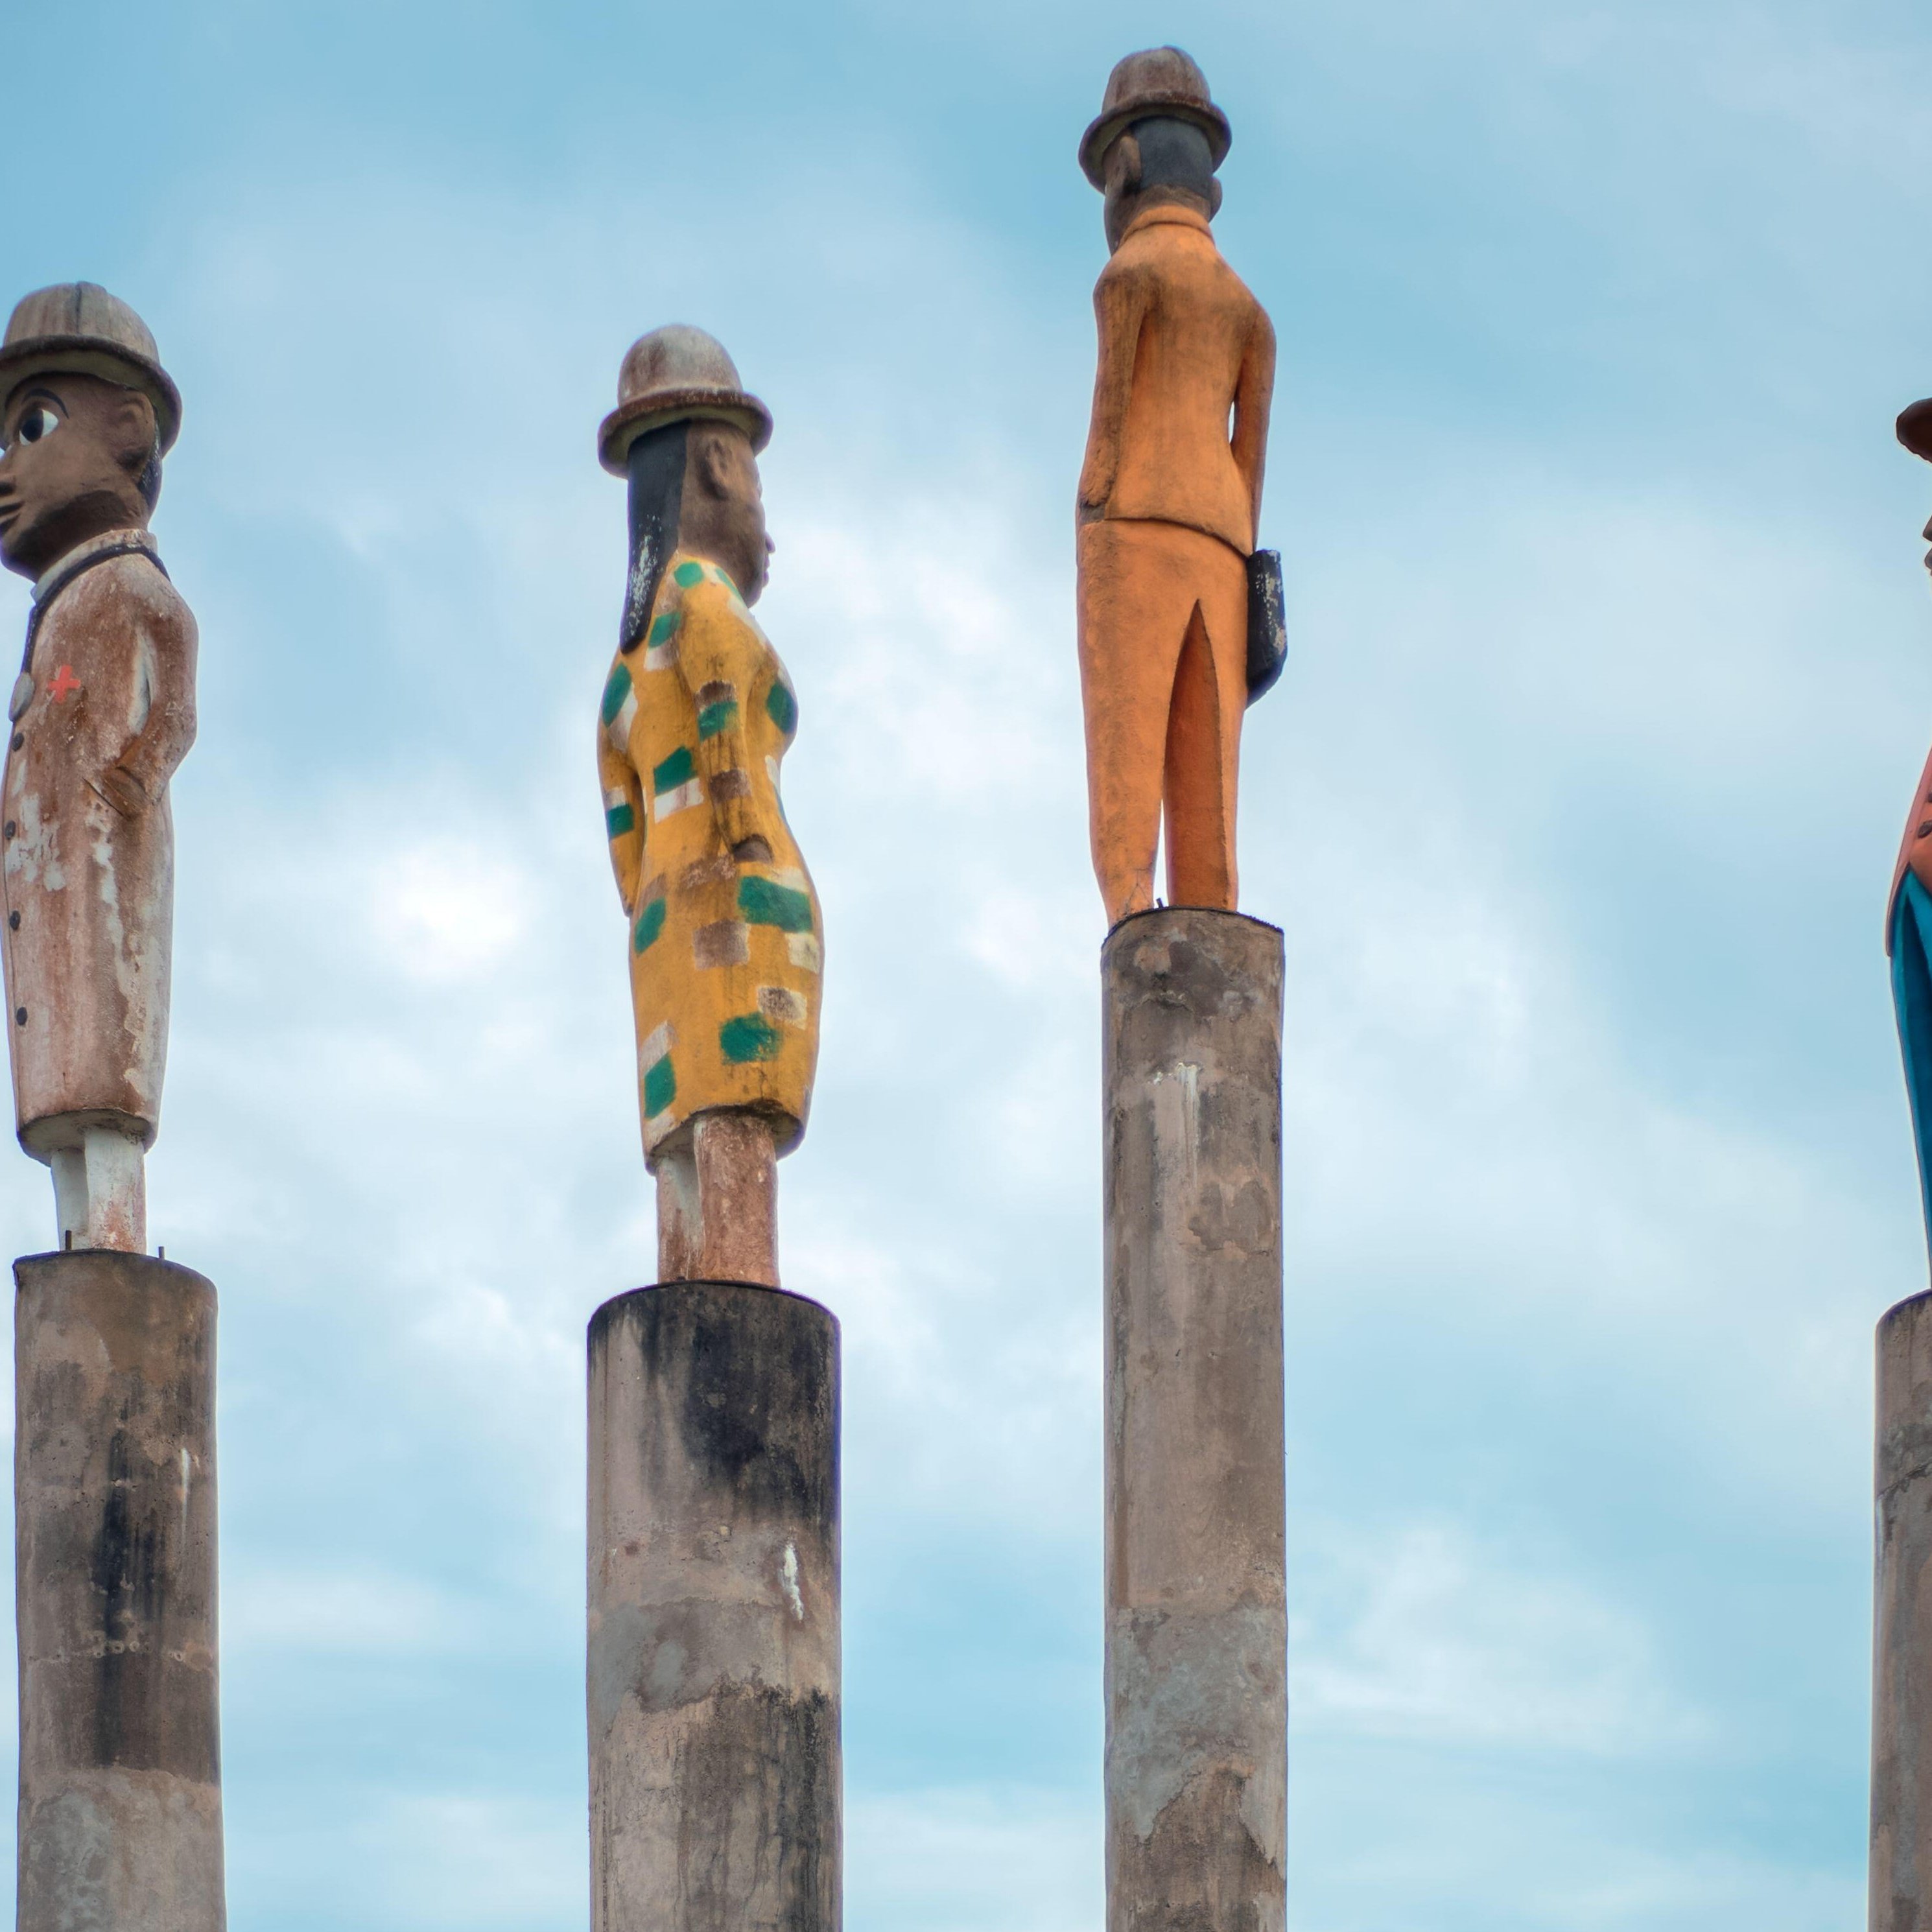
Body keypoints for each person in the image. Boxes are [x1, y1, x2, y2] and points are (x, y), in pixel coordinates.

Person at [596, 325, 820, 1287]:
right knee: (735, 1120)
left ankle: (692, 1277)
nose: (767, 523)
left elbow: (621, 828)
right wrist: (748, 837)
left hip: (656, 914)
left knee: (681, 1136)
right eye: (759, 488)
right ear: (723, 467)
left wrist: (653, 894)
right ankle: (736, 1281)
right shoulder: (712, 611)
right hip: (739, 896)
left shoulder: (623, 664)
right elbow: (730, 750)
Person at [0, 284, 195, 1253]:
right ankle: (80, 1238)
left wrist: (136, 768)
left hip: (101, 871)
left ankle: (115, 1232)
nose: (8, 467)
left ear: (126, 428)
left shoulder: (125, 586)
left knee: (101, 1064)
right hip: (49, 872)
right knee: (57, 1077)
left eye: (33, 425)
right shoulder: (59, 612)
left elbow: (176, 694)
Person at [1077, 47, 1276, 926]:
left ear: (1125, 168)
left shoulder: (1130, 277)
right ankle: (1214, 911)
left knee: (1128, 748)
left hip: (1137, 521)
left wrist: (1093, 511)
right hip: (1225, 539)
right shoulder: (1247, 308)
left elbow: (1106, 434)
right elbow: (1252, 460)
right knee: (1210, 769)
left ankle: (1129, 906)